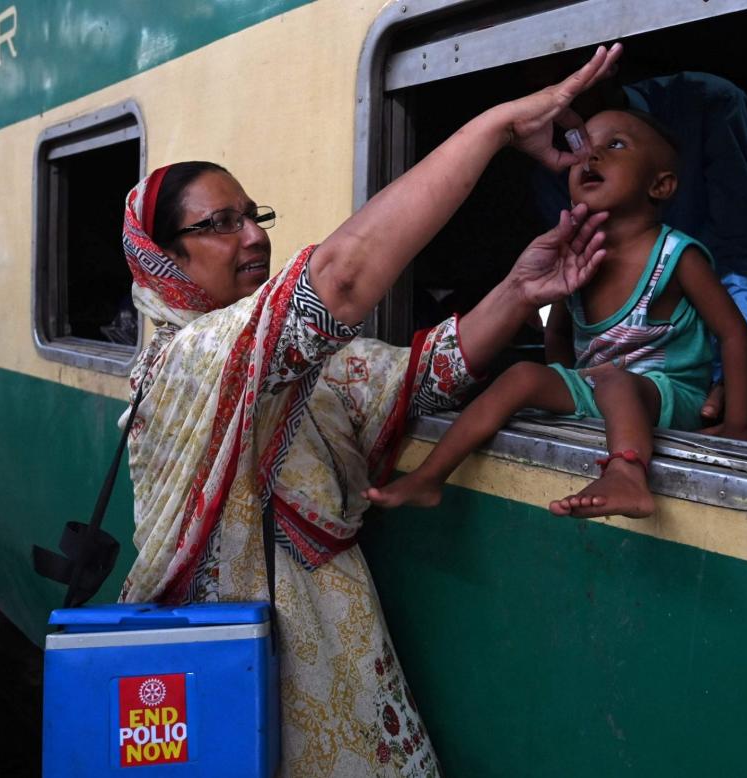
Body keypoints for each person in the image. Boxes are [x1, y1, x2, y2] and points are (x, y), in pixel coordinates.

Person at [117, 45, 623, 776]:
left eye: (253, 216)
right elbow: (344, 283)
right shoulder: (183, 363)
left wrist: (518, 293)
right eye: (219, 224)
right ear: (162, 258)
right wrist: (494, 128)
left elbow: (423, 376)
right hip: (232, 656)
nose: (254, 235)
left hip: (330, 642)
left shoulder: (282, 361)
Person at [365, 109, 747, 519]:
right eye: (580, 145)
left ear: (660, 185)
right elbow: (559, 335)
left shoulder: (676, 256)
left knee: (615, 382)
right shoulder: (576, 259)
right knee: (520, 376)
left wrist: (739, 428)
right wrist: (560, 384)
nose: (591, 155)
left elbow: (734, 335)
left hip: (672, 393)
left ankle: (627, 475)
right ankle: (430, 476)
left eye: (614, 145)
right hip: (603, 387)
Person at [533, 71, 747, 420]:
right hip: (609, 400)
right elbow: (563, 322)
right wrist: (567, 395)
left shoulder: (707, 103)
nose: (589, 156)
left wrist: (736, 395)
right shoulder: (555, 164)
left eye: (615, 144)